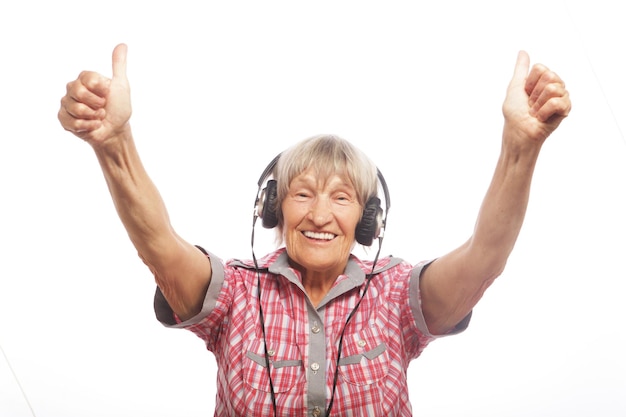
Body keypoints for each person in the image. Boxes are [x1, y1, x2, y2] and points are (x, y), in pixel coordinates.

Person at [58, 43, 571, 417]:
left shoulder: (395, 292)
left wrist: (520, 147)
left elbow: (484, 258)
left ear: (367, 220)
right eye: (302, 193)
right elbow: (160, 247)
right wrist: (114, 144)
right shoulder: (237, 289)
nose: (320, 214)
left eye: (342, 197)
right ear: (274, 209)